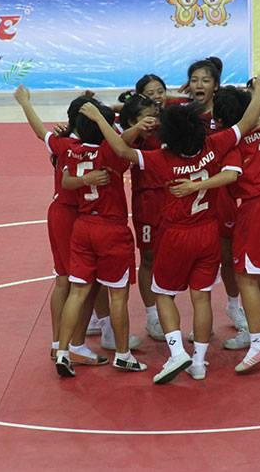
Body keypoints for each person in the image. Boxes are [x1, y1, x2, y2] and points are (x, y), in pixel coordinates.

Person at [81, 76, 260, 383]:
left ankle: (177, 352)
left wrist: (100, 120)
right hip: (208, 232)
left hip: (176, 235)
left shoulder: (161, 159)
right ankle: (199, 363)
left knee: (163, 294)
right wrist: (259, 91)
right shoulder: (213, 146)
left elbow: (121, 150)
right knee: (202, 297)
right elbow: (247, 123)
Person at [13, 87, 111, 366]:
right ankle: (68, 344)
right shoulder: (97, 147)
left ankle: (61, 342)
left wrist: (25, 103)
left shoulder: (62, 143)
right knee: (76, 280)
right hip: (73, 215)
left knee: (66, 279)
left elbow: (39, 131)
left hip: (63, 213)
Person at [201, 84, 260, 372]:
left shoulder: (231, 141)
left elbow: (230, 176)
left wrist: (194, 186)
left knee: (245, 276)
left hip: (256, 208)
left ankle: (257, 343)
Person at [186, 57, 249, 333]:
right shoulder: (184, 116)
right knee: (198, 259)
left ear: (216, 85)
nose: (199, 84)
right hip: (191, 196)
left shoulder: (227, 114)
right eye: (194, 80)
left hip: (221, 195)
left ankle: (234, 306)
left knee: (226, 255)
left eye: (205, 80)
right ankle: (202, 320)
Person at [118, 93, 166, 341]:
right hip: (146, 203)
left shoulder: (165, 130)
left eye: (155, 115)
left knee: (172, 257)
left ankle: (168, 310)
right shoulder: (132, 137)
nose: (153, 121)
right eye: (148, 117)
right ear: (132, 120)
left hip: (172, 199)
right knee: (148, 258)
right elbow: (120, 143)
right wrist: (137, 127)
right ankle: (152, 316)